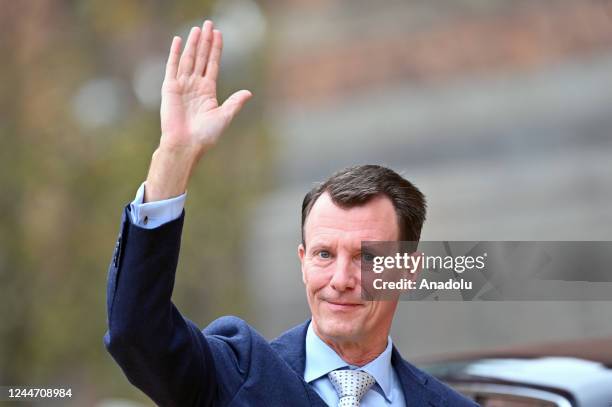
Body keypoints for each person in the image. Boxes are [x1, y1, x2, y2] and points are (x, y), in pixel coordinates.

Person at [104, 20, 478, 407]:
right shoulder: (237, 373)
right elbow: (137, 334)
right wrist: (175, 156)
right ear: (302, 262)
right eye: (324, 254)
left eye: (367, 257)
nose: (341, 280)